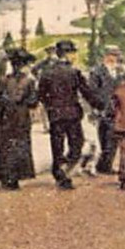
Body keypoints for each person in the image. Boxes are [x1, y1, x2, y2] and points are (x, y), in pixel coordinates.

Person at [36, 39, 96, 190]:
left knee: (57, 146)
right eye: (73, 53)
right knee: (77, 144)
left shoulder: (47, 73)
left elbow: (41, 94)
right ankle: (65, 170)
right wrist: (100, 105)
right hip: (72, 114)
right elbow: (86, 92)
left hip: (55, 115)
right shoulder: (74, 72)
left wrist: (50, 106)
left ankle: (59, 172)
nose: (75, 56)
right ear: (68, 54)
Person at [0, 49, 39, 191]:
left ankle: (8, 178)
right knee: (16, 147)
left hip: (8, 117)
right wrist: (20, 101)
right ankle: (12, 178)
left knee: (8, 147)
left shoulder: (4, 80)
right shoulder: (27, 81)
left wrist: (7, 102)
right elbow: (33, 101)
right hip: (18, 117)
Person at [88, 47, 119, 175]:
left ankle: (106, 164)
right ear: (106, 56)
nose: (115, 58)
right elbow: (92, 91)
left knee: (113, 137)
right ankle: (103, 165)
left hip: (115, 109)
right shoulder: (97, 72)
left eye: (116, 56)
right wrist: (95, 108)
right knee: (104, 137)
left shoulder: (117, 71)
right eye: (112, 55)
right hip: (102, 109)